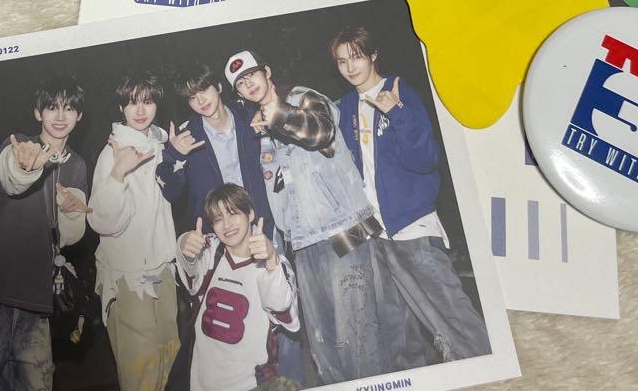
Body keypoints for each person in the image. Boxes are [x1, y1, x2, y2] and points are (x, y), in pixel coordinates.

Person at [331, 26, 491, 366]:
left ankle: (490, 369)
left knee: (454, 316)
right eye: (342, 61)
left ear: (373, 55)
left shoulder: (400, 92)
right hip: (375, 233)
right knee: (402, 328)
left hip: (413, 226)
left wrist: (396, 113)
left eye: (356, 57)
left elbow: (426, 159)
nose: (350, 67)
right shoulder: (345, 106)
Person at [227, 48, 386, 384]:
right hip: (302, 244)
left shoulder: (302, 97)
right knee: (323, 345)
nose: (248, 84)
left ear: (267, 72)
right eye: (240, 83)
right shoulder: (262, 131)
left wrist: (280, 115)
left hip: (344, 232)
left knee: (358, 339)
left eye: (252, 75)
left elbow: (322, 131)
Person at [0, 77, 90, 391]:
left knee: (38, 384)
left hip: (38, 300)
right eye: (52, 107)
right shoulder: (17, 145)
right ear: (38, 113)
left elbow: (69, 238)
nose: (61, 116)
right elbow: (11, 180)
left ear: (79, 116)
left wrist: (72, 213)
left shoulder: (77, 166)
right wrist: (27, 168)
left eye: (69, 108)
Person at [88, 72, 179, 391]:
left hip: (162, 268)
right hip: (127, 276)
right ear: (121, 107)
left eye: (148, 101)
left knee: (168, 351)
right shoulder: (113, 152)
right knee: (140, 369)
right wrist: (118, 173)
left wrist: (177, 154)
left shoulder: (161, 145)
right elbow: (101, 222)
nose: (140, 110)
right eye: (132, 102)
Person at [176, 184, 300, 391]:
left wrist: (271, 261)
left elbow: (280, 307)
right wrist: (184, 244)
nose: (226, 225)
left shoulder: (276, 263)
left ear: (250, 214)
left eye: (233, 213)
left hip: (252, 383)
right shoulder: (211, 252)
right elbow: (189, 263)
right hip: (204, 383)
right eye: (218, 219)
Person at [156, 65, 274, 240]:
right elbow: (171, 192)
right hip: (217, 238)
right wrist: (175, 155)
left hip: (261, 228)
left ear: (218, 87)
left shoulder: (249, 117)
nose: (200, 100)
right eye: (192, 97)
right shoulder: (187, 137)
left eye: (203, 90)